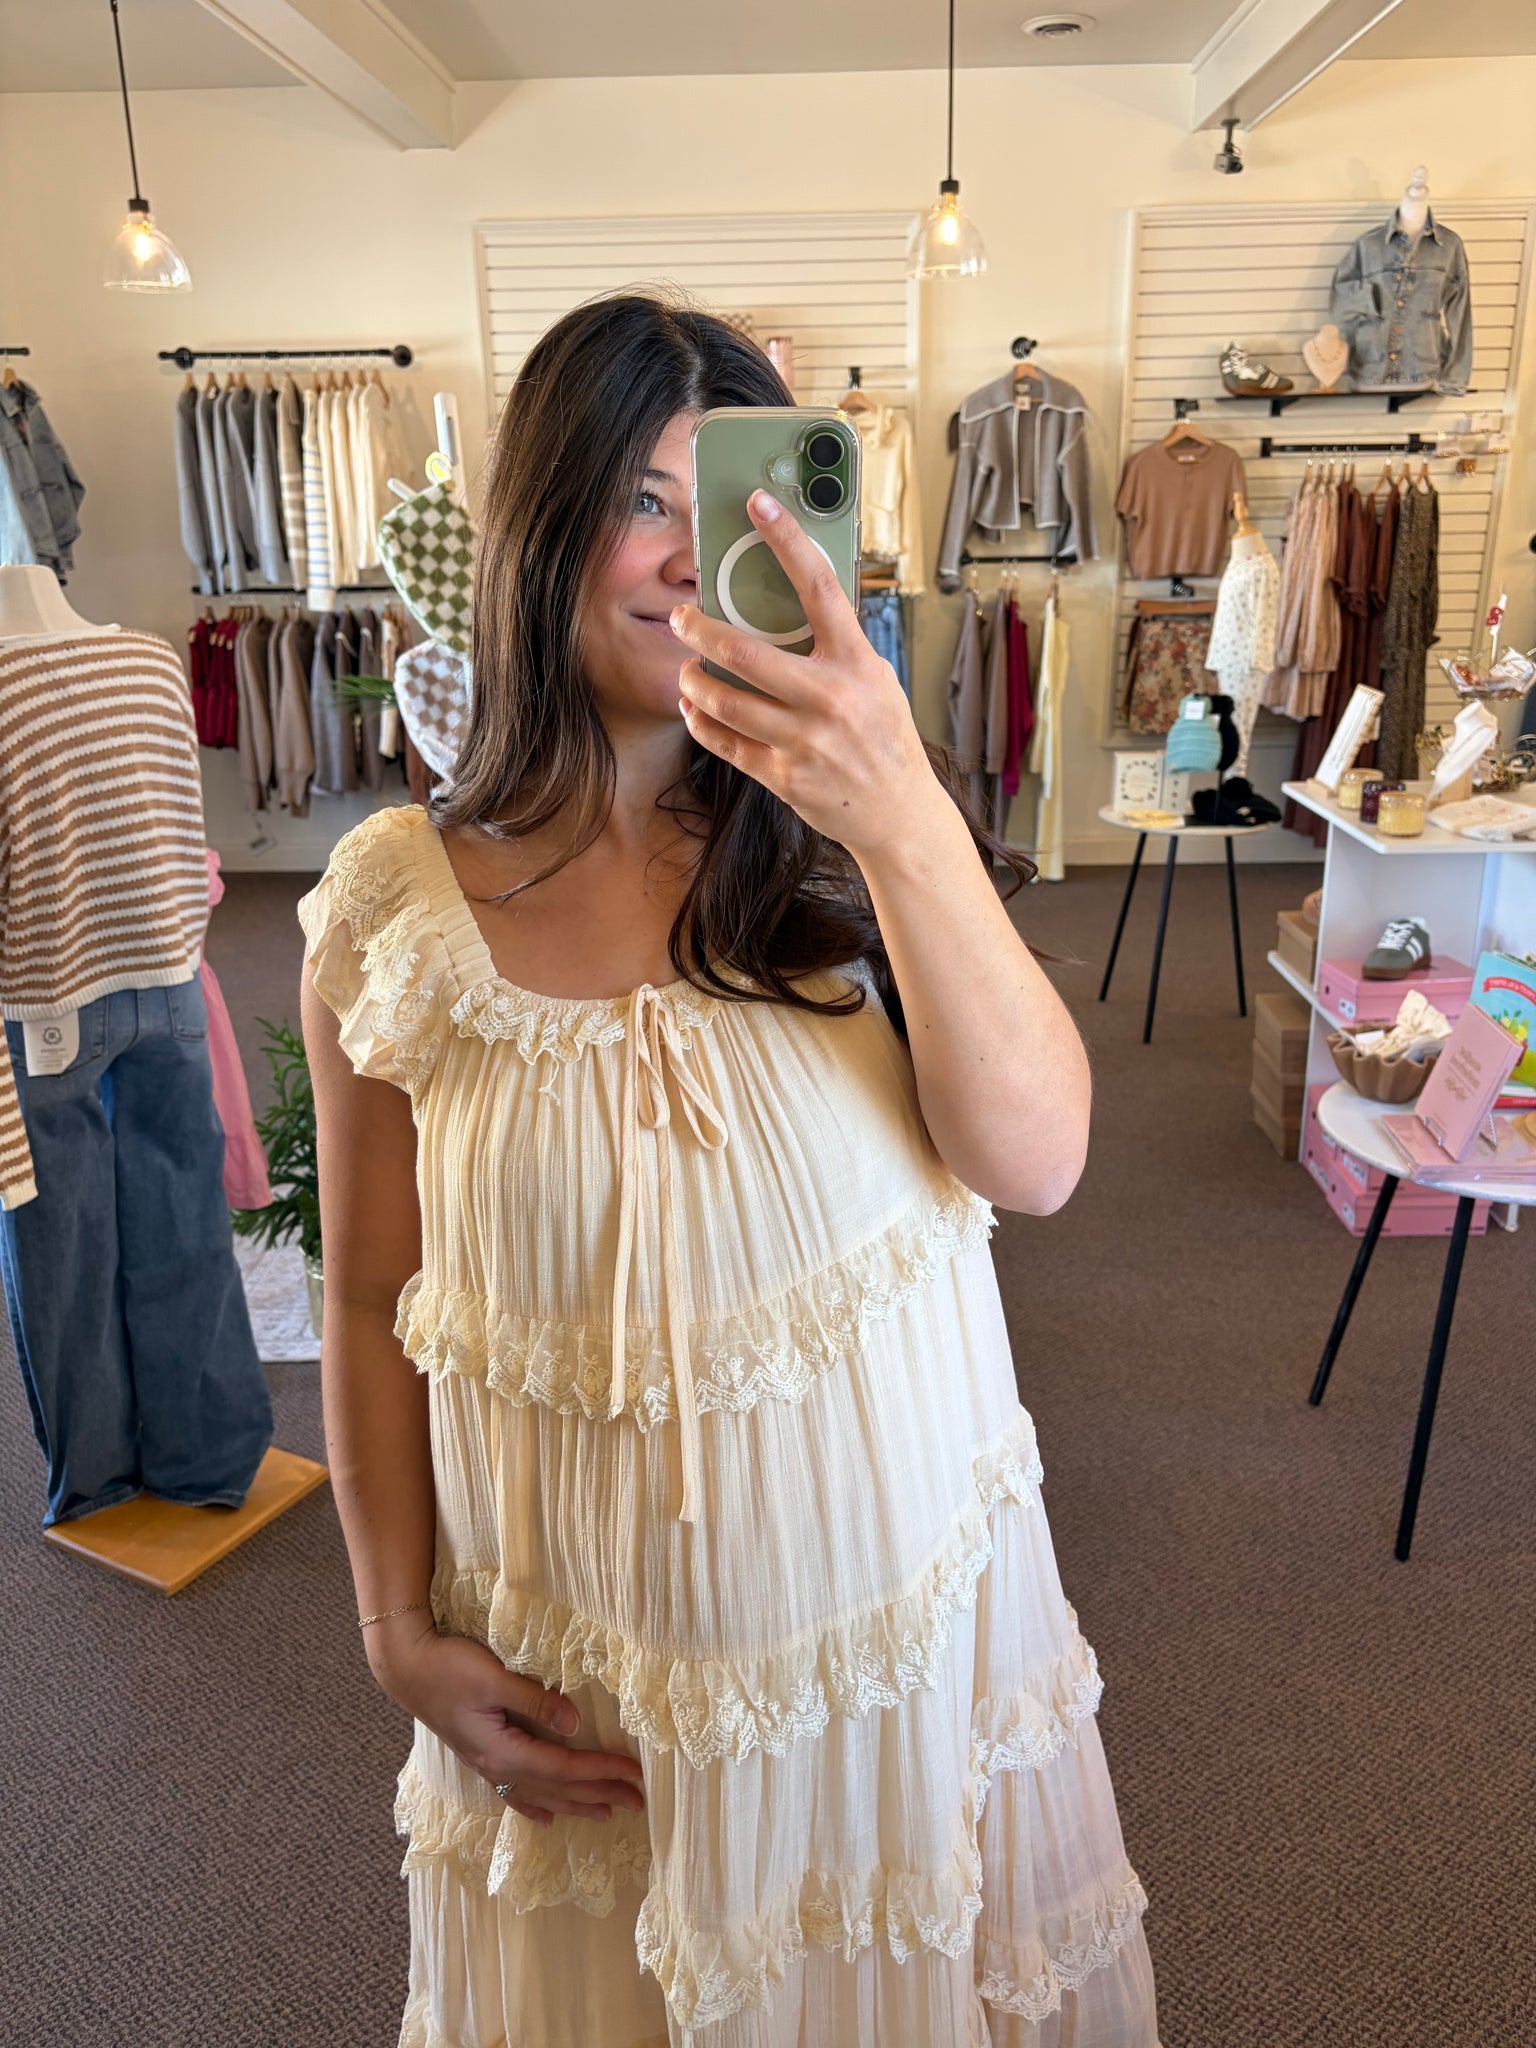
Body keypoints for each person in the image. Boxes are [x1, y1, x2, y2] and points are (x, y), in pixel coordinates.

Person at [300, 294, 1158, 2047]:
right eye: (640, 501)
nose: (692, 556)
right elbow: (374, 1293)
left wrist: (895, 808)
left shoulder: (854, 850)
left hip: (882, 1663)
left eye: (728, 499)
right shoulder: (396, 907)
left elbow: (1041, 1161)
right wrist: (390, 1624)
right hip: (583, 1698)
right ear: (543, 527)